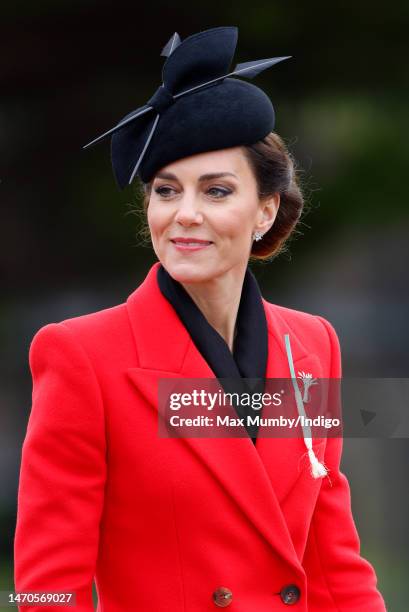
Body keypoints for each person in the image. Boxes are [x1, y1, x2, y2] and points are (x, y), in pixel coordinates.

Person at [14, 26, 386, 611]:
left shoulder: (313, 344)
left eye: (215, 192)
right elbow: (47, 587)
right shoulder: (80, 354)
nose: (184, 214)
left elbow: (333, 557)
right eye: (166, 190)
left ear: (265, 211)